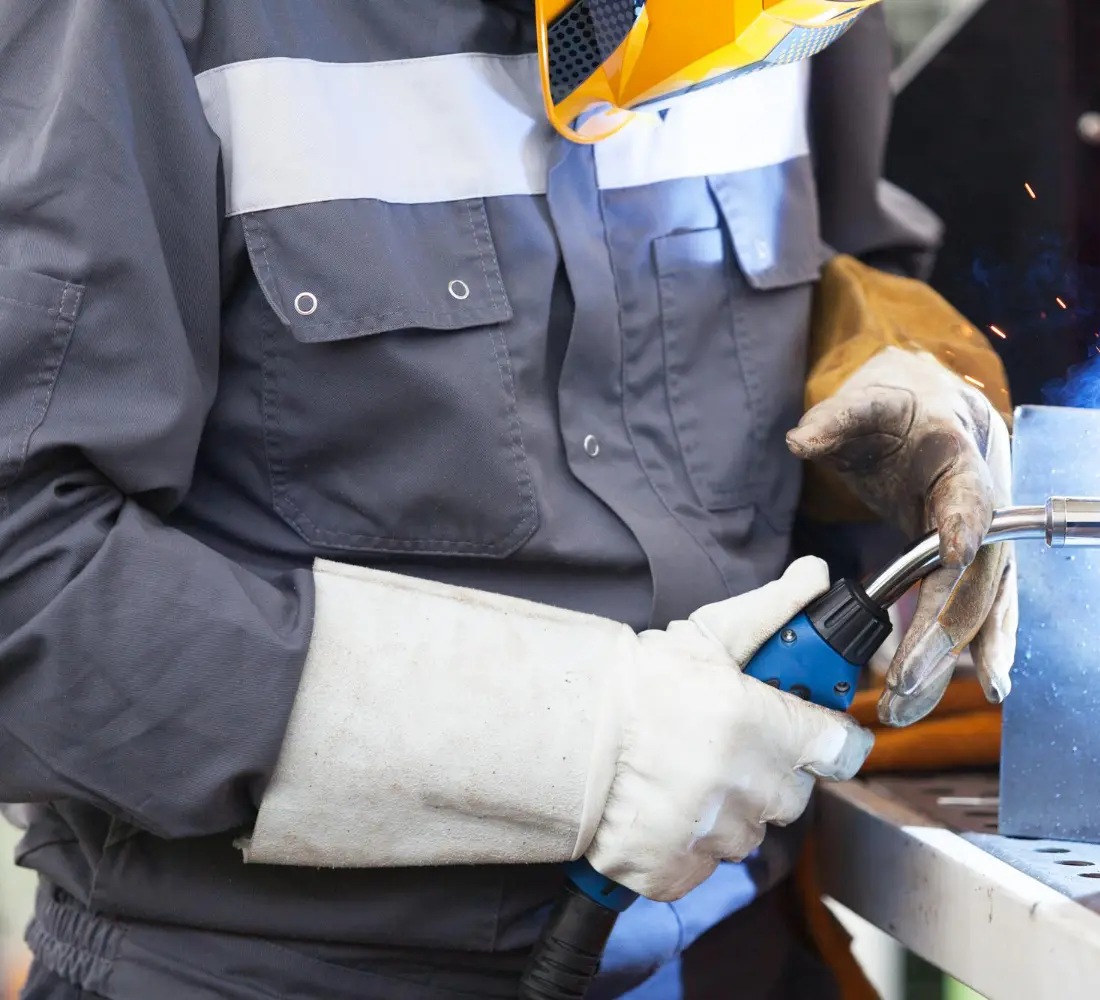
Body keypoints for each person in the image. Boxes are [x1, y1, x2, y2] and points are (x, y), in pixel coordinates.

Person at [0, 1, 1017, 997]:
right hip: (264, 969)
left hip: (731, 950)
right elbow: (24, 575)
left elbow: (838, 252)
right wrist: (573, 738)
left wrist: (897, 371)